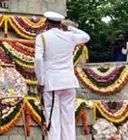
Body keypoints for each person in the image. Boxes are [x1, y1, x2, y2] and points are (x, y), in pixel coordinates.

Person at [34, 11, 91, 140]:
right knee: (68, 119)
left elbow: (38, 60)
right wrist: (69, 28)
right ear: (60, 24)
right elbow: (86, 37)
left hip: (52, 83)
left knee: (53, 121)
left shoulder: (42, 37)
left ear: (47, 23)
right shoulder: (69, 36)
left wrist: (40, 82)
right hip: (69, 82)